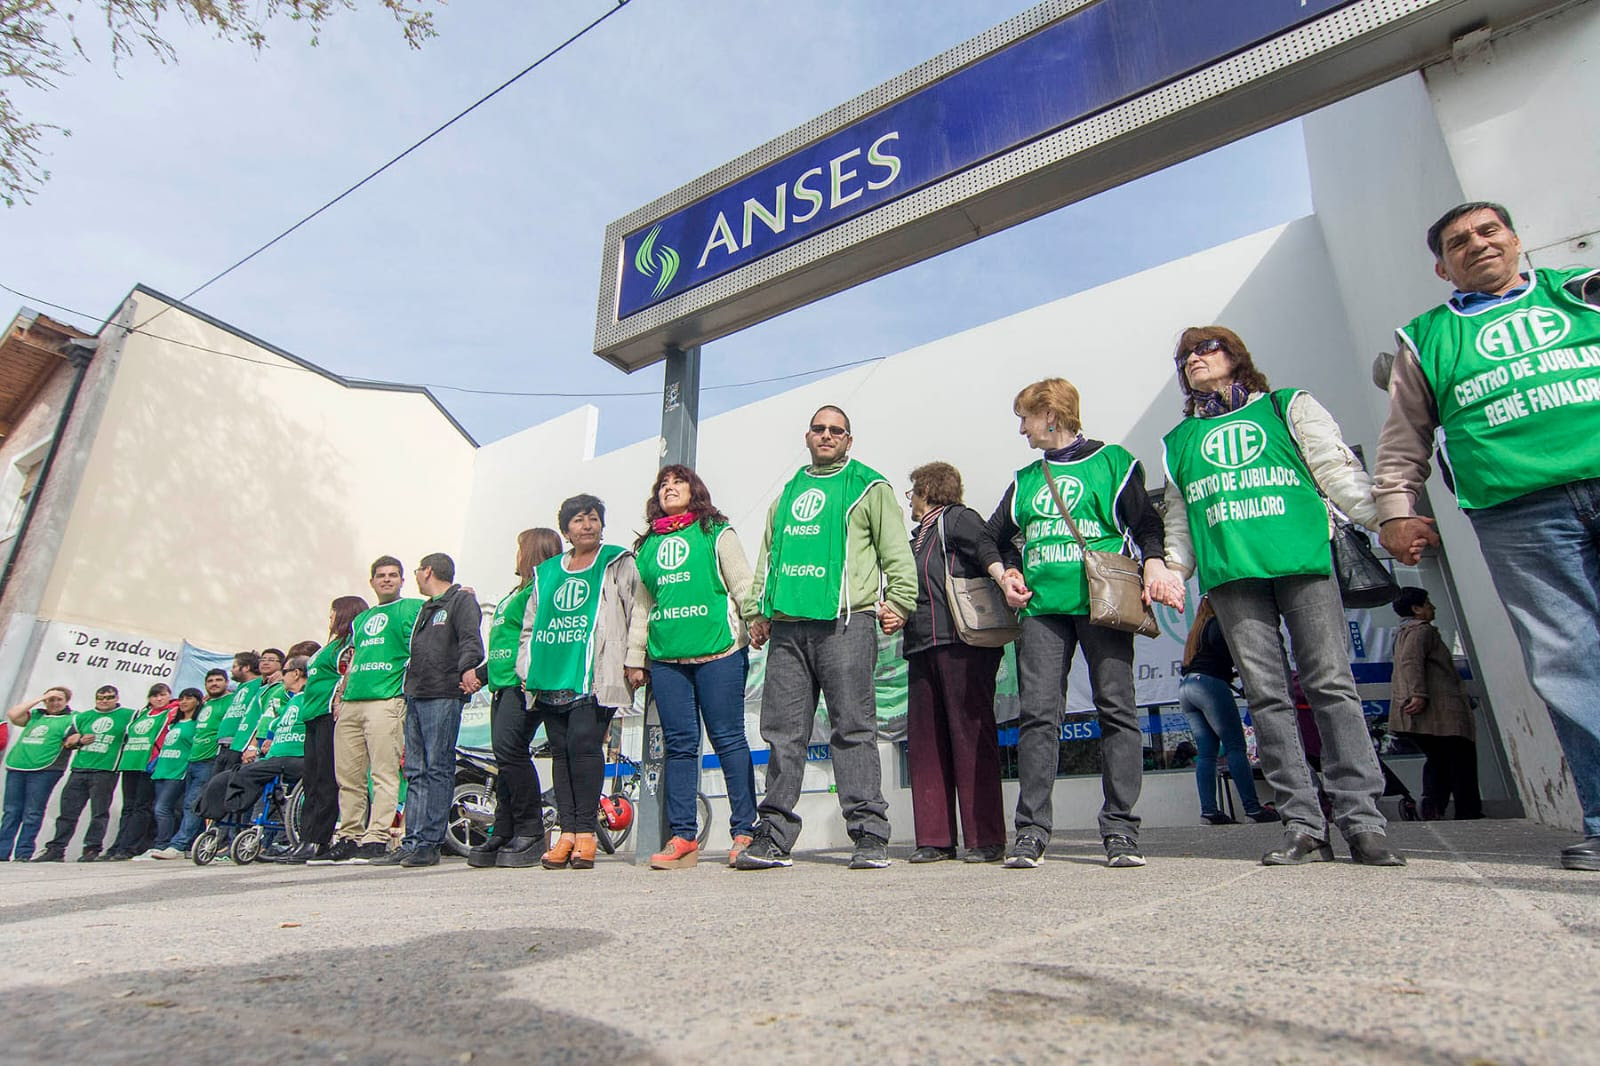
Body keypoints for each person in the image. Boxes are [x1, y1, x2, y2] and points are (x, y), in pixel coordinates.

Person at [1375, 201, 1600, 871]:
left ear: (1515, 239)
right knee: (1568, 662)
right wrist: (1395, 510)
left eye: (1488, 231)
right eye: (1458, 242)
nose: (1477, 245)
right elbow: (1402, 440)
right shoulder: (1429, 338)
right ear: (1443, 268)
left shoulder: (1581, 294)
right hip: (1518, 512)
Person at [1162, 326, 1403, 867]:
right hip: (1231, 576)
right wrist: (1175, 569)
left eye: (1206, 348)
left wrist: (1385, 520)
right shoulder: (1176, 441)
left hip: (1303, 563)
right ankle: (1302, 825)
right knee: (1266, 698)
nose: (1193, 359)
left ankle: (1363, 821)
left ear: (1235, 357)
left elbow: (1336, 470)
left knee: (1331, 685)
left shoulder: (1286, 405)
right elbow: (1180, 516)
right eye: (1184, 356)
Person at [984, 379, 1183, 869]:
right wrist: (1005, 571)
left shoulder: (1114, 463)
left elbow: (1146, 524)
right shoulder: (1027, 477)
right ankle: (1031, 832)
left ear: (1051, 416)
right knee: (1038, 717)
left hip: (1104, 601)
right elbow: (993, 536)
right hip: (1042, 609)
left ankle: (1120, 830)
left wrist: (1155, 562)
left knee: (1116, 708)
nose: (1021, 430)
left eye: (1025, 419)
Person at [739, 405, 917, 871]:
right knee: (783, 734)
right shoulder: (788, 493)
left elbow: (895, 550)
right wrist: (758, 610)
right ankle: (773, 836)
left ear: (849, 440)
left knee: (853, 728)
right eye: (819, 429)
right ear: (807, 436)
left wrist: (898, 601)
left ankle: (869, 835)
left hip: (847, 624)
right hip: (787, 628)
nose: (827, 435)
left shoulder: (869, 487)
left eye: (836, 430)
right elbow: (769, 556)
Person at [625, 465, 760, 870]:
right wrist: (635, 659)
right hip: (667, 660)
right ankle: (683, 836)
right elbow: (643, 607)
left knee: (729, 740)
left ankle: (744, 831)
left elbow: (742, 583)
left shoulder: (717, 531)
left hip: (719, 652)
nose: (669, 488)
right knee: (680, 747)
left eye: (677, 482)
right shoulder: (646, 547)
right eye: (663, 485)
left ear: (694, 490)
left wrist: (755, 619)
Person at [518, 494, 639, 871]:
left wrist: (635, 659)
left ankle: (586, 831)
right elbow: (530, 623)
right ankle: (566, 832)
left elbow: (639, 607)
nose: (586, 525)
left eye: (593, 518)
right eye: (578, 520)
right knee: (560, 753)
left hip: (594, 672)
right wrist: (528, 666)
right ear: (565, 529)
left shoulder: (617, 560)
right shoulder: (548, 571)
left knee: (584, 747)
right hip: (552, 674)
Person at [900, 461, 1006, 864]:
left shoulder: (958, 519)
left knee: (970, 737)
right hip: (922, 644)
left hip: (964, 642)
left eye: (912, 492)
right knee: (926, 744)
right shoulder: (917, 537)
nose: (910, 500)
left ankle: (986, 837)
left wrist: (1006, 576)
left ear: (927, 490)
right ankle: (935, 838)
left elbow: (989, 548)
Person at [372, 552, 484, 869]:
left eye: (418, 571)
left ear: (428, 571)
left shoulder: (460, 601)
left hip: (443, 693)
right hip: (417, 693)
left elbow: (470, 640)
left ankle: (430, 842)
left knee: (437, 767)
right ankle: (412, 840)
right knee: (415, 770)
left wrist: (468, 669)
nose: (417, 576)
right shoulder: (426, 607)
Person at [469, 529, 560, 869]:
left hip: (521, 682)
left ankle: (531, 828)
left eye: (520, 547)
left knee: (511, 752)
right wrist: (480, 674)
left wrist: (529, 675)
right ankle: (504, 827)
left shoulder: (541, 588)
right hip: (500, 681)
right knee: (503, 756)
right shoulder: (514, 593)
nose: (516, 554)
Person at [324, 556, 423, 864]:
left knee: (383, 771)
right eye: (381, 575)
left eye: (393, 575)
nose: (387, 580)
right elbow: (353, 659)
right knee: (349, 776)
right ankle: (350, 835)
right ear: (372, 582)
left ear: (402, 580)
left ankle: (377, 836)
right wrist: (341, 694)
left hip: (387, 698)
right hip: (354, 700)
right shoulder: (361, 619)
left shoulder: (412, 608)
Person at [1178, 596, 1277, 825]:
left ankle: (1209, 812)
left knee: (1206, 753)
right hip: (1209, 685)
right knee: (1235, 747)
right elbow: (1232, 653)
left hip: (1188, 688)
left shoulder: (1197, 631)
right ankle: (1252, 809)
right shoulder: (1217, 624)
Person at [1387, 587, 1482, 820]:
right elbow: (1412, 662)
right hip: (1441, 713)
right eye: (1427, 603)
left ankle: (1434, 804)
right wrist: (1418, 694)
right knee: (1459, 760)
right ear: (1416, 608)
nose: (1433, 608)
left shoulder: (1402, 633)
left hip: (1432, 714)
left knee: (1440, 759)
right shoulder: (1421, 631)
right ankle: (1464, 810)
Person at [289, 596, 368, 864]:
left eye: (333, 613)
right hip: (312, 713)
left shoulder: (349, 644)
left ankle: (319, 839)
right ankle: (305, 838)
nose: (330, 618)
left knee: (325, 778)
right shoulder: (329, 645)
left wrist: (339, 700)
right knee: (311, 779)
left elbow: (348, 673)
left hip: (329, 713)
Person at [37, 684, 133, 862]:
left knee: (99, 812)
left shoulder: (128, 715)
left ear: (117, 698)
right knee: (67, 812)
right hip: (79, 769)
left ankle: (92, 849)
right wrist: (79, 740)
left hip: (106, 770)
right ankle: (56, 849)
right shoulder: (84, 717)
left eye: (109, 697)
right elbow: (68, 743)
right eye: (100, 698)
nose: (104, 701)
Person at [1, 688, 78, 861]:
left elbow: (77, 737)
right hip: (18, 767)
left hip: (45, 770)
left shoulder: (72, 718)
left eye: (59, 699)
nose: (54, 702)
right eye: (50, 699)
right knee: (11, 811)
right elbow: (13, 715)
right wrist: (41, 698)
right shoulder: (36, 715)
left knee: (32, 812)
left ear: (67, 701)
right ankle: (2, 852)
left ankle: (23, 852)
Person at [167, 669, 232, 860]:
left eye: (219, 680)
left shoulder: (230, 700)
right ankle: (191, 843)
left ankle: (179, 845)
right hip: (192, 759)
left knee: (193, 803)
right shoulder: (203, 704)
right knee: (186, 804)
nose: (214, 683)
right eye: (210, 680)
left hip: (210, 759)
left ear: (226, 682)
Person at [105, 684, 176, 861]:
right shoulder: (141, 714)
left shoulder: (171, 712)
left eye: (163, 695)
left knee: (141, 807)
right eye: (154, 696)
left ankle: (130, 847)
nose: (158, 699)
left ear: (169, 696)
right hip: (130, 763)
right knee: (128, 807)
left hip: (149, 764)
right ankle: (118, 845)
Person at [142, 688, 202, 859]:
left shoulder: (197, 725)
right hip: (163, 770)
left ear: (197, 701)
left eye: (188, 699)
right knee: (163, 809)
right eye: (181, 698)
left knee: (162, 808)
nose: (183, 702)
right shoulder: (174, 723)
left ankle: (163, 844)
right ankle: (168, 844)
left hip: (178, 772)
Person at [214, 652, 263, 773]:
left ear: (246, 667)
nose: (231, 670)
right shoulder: (240, 687)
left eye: (235, 666)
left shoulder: (259, 684)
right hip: (223, 746)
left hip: (239, 744)